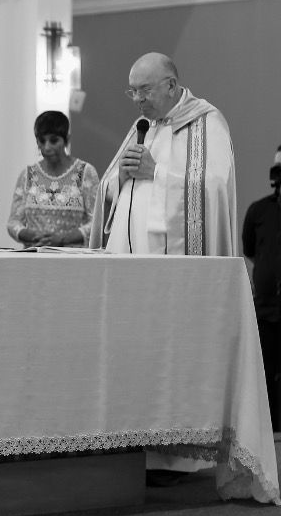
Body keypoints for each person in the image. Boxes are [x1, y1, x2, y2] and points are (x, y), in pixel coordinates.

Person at [88, 53, 236, 255]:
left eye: (145, 90)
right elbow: (107, 189)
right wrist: (121, 176)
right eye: (133, 91)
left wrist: (155, 172)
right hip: (126, 248)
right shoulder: (142, 125)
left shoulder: (206, 123)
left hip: (170, 252)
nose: (138, 99)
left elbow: (215, 186)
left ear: (171, 86)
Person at [7, 111, 100, 247]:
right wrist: (33, 236)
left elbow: (96, 221)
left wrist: (63, 238)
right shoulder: (28, 175)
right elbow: (13, 222)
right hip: (34, 255)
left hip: (72, 257)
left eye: (54, 140)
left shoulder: (85, 172)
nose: (47, 147)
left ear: (67, 140)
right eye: (42, 141)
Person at [242, 162, 281, 433]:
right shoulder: (258, 211)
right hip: (266, 311)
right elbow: (250, 249)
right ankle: (271, 436)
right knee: (266, 377)